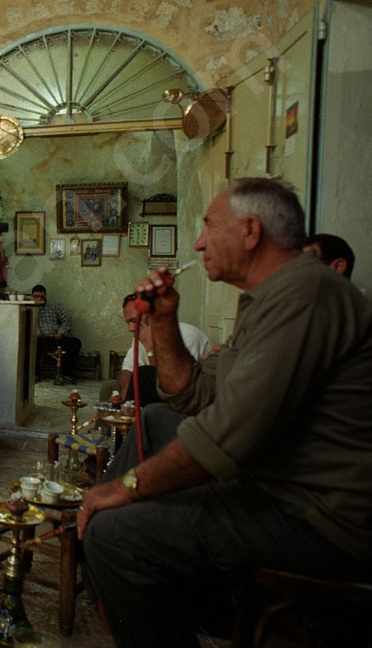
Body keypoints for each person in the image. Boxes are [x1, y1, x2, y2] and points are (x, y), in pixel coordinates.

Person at [78, 178, 372, 648]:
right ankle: (161, 595)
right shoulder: (268, 299)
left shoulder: (305, 295)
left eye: (209, 226)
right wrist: (164, 320)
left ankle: (128, 572)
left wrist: (123, 488)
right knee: (155, 420)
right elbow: (191, 394)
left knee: (116, 534)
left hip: (318, 515)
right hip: (275, 482)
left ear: (251, 231)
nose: (198, 241)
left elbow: (226, 438)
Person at [117, 292, 212, 403]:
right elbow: (127, 369)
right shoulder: (140, 336)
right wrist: (125, 389)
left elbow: (172, 386)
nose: (130, 328)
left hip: (185, 399)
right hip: (155, 389)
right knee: (108, 388)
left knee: (143, 375)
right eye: (128, 323)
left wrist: (150, 348)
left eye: (134, 321)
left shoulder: (186, 335)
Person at [32, 284, 82, 383]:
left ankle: (66, 374)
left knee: (75, 342)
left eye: (41, 296)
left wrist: (61, 332)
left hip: (54, 339)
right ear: (32, 296)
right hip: (38, 339)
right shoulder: (28, 308)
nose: (39, 299)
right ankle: (35, 374)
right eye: (36, 296)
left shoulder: (53, 308)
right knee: (32, 346)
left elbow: (67, 319)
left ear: (45, 296)